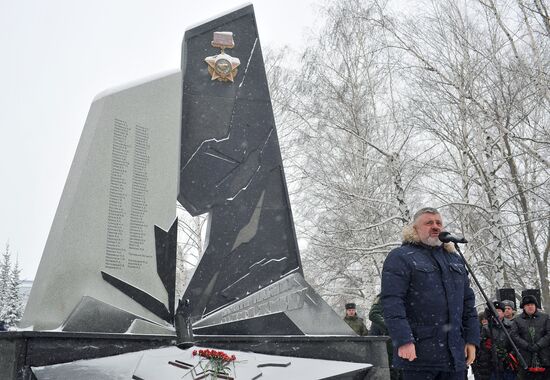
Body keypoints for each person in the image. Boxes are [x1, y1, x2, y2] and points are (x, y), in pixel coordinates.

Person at [381, 207, 480, 380]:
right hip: (419, 357)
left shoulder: (455, 259)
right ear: (415, 229)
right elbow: (392, 302)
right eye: (428, 223)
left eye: (438, 223)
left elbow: (468, 303)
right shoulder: (401, 256)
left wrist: (471, 339)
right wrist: (403, 340)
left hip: (455, 356)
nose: (435, 226)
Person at [510, 295, 550, 379]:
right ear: (523, 307)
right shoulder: (517, 320)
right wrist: (527, 346)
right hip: (525, 359)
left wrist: (538, 345)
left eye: (532, 304)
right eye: (527, 305)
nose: (530, 307)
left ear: (536, 306)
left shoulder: (545, 318)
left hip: (544, 358)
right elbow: (514, 335)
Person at [479, 301, 518, 380]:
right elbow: (482, 348)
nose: (497, 313)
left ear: (503, 313)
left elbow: (517, 343)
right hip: (493, 366)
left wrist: (509, 355)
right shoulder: (486, 328)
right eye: (495, 311)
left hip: (508, 365)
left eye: (499, 311)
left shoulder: (512, 326)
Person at [369, 293, 403, 380]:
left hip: (400, 338)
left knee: (401, 370)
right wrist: (390, 327)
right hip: (387, 339)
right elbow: (373, 314)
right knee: (392, 369)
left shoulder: (402, 296)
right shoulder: (383, 296)